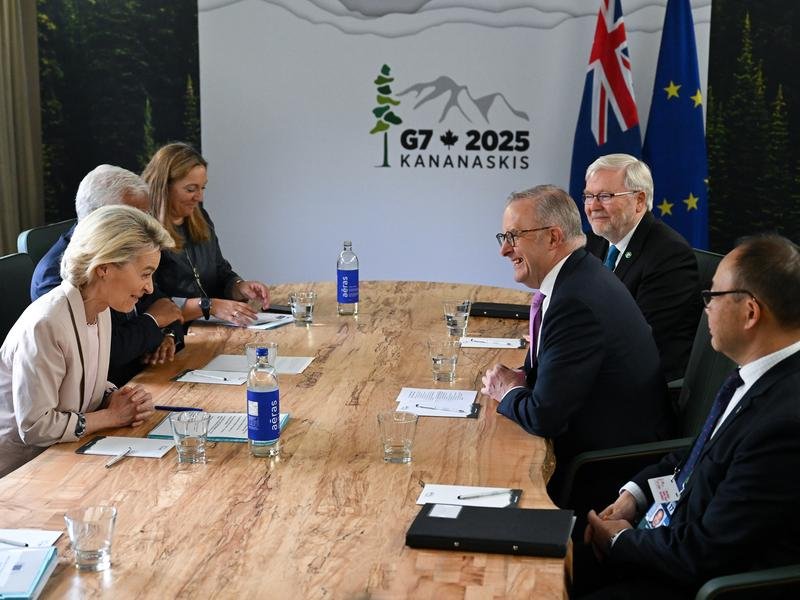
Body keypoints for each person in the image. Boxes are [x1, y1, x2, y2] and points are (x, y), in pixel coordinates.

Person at [578, 234, 800, 599]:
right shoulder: (752, 376)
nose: (706, 308)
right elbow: (699, 458)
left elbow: (704, 552)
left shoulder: (785, 424)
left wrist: (621, 539)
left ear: (749, 312)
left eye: (712, 296)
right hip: (664, 538)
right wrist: (635, 496)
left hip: (689, 583)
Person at [481, 185, 673, 500]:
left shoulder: (575, 302)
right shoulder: (580, 275)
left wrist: (508, 390)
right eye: (504, 238)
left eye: (514, 237)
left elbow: (545, 417)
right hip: (600, 440)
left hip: (604, 469)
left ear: (554, 237)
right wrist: (524, 378)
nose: (505, 250)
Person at [0, 205, 175, 478]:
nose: (150, 288)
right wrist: (112, 416)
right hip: (22, 472)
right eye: (145, 273)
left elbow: (78, 380)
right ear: (104, 267)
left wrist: (115, 396)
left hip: (68, 455)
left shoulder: (100, 308)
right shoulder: (46, 324)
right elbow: (35, 427)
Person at [30, 165, 184, 386]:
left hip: (136, 381)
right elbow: (103, 353)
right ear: (100, 217)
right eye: (132, 216)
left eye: (146, 214)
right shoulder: (54, 276)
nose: (146, 224)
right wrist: (153, 321)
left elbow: (165, 305)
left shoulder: (135, 252)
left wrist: (168, 334)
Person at [583, 154, 701, 382]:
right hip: (600, 372)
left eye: (605, 196)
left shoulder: (670, 255)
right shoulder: (592, 243)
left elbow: (640, 342)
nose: (593, 206)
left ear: (639, 201)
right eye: (588, 196)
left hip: (640, 387)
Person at [142, 142, 270, 326]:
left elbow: (220, 270)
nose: (200, 197)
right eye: (191, 189)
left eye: (203, 188)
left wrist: (238, 286)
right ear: (164, 186)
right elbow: (151, 302)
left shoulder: (200, 218)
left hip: (209, 328)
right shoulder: (144, 231)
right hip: (172, 337)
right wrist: (208, 306)